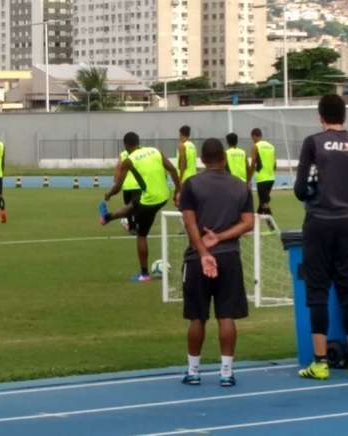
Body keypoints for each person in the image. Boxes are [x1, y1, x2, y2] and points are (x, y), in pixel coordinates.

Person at [293, 94, 348, 380]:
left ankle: (320, 363)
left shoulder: (314, 143)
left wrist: (316, 195)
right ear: (344, 115)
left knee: (317, 290)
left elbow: (300, 189)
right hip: (347, 224)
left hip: (318, 222)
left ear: (321, 116)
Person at [180, 138, 254, 387]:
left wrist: (203, 252)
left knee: (197, 317)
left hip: (197, 258)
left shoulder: (191, 185)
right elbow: (248, 223)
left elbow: (190, 223)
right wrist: (221, 237)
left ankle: (193, 371)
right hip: (229, 256)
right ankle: (226, 371)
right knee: (226, 316)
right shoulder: (241, 187)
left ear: (202, 159)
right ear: (223, 158)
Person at [99, 132, 181, 282]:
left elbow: (118, 187)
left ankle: (144, 274)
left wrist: (109, 195)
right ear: (138, 142)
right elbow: (173, 169)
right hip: (163, 196)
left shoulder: (128, 160)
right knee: (133, 205)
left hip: (150, 201)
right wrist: (178, 190)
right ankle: (107, 217)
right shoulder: (154, 151)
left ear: (126, 145)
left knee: (141, 235)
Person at [250, 129, 276, 215]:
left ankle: (272, 227)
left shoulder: (256, 146)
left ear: (254, 136)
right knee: (262, 202)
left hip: (261, 178)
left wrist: (249, 176)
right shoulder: (271, 146)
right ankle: (255, 225)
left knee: (264, 203)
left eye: (252, 138)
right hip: (271, 178)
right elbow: (275, 163)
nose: (252, 140)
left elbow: (253, 162)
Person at [118, 147, 142, 235]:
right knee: (137, 207)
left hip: (127, 186)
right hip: (137, 185)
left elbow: (119, 168)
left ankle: (132, 228)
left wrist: (117, 181)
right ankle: (136, 225)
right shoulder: (140, 154)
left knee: (128, 207)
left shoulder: (123, 154)